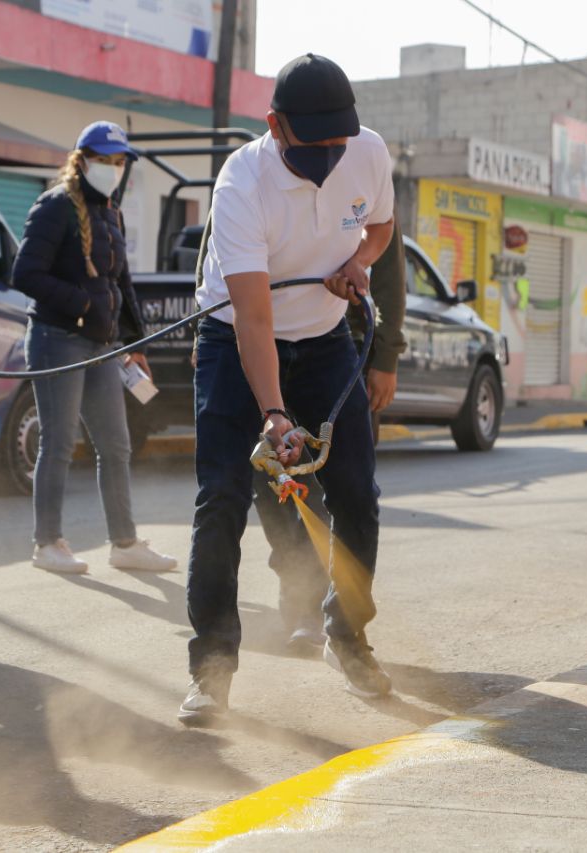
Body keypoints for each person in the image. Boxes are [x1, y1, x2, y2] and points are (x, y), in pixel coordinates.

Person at [179, 53, 396, 725]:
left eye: (339, 142)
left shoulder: (367, 153)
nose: (330, 157)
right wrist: (273, 412)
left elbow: (381, 227)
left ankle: (347, 636)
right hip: (235, 342)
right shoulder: (243, 182)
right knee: (221, 498)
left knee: (357, 492)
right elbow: (254, 315)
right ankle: (211, 668)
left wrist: (357, 263)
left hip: (327, 339)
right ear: (275, 125)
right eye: (314, 145)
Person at [11, 121, 176, 575]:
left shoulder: (110, 212)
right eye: (104, 160)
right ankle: (47, 543)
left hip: (103, 345)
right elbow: (24, 274)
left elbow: (120, 282)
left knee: (116, 445)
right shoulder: (55, 206)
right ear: (81, 159)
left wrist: (135, 341)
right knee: (60, 442)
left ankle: (124, 543)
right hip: (56, 339)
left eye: (120, 162)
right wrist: (81, 303)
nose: (112, 169)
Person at [248, 221, 406, 653]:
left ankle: (331, 618)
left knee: (340, 490)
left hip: (344, 351)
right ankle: (297, 593)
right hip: (265, 346)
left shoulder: (363, 176)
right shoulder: (255, 173)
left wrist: (387, 355)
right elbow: (216, 253)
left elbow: (390, 273)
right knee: (275, 482)